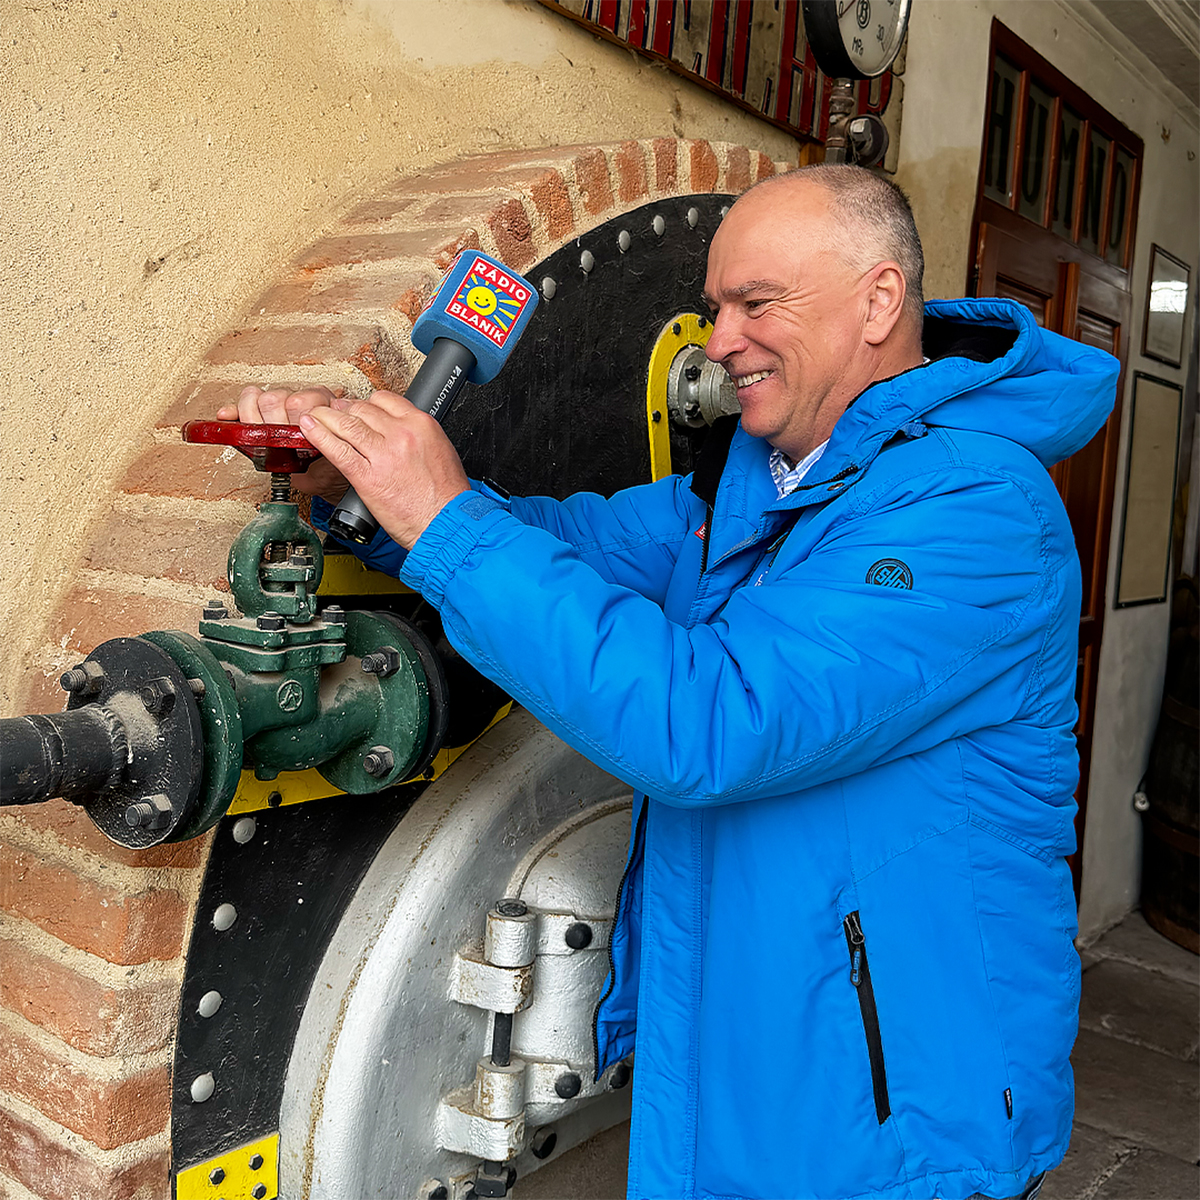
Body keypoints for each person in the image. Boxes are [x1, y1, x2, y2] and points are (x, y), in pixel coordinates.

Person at [220, 165, 1118, 1200]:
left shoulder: (977, 511)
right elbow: (563, 541)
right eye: (711, 308)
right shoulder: (750, 485)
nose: (719, 340)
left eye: (756, 303)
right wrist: (372, 494)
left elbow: (713, 722)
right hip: (742, 1055)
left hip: (892, 1107)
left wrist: (444, 522)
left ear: (878, 301)